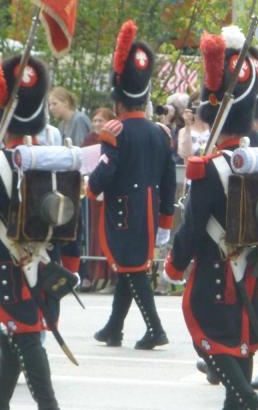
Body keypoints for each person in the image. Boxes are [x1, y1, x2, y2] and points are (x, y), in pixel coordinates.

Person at [163, 27, 258, 410]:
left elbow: (193, 224)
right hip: (257, 269)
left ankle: (248, 400)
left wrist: (175, 265)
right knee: (242, 341)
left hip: (217, 269)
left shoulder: (208, 167)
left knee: (208, 334)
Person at [87, 20, 176, 350]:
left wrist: (91, 188)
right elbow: (169, 183)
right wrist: (166, 219)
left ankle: (155, 328)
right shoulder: (161, 133)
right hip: (150, 209)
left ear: (119, 100)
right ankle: (114, 327)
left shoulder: (114, 131)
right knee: (131, 265)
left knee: (133, 268)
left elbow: (107, 171)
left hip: (124, 210)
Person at [0, 54, 79, 410]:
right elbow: (70, 224)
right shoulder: (54, 158)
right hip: (47, 264)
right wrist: (71, 266)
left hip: (9, 267)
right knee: (14, 340)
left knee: (25, 336)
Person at [82, 107, 117, 292]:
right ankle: (95, 275)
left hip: (108, 193)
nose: (96, 124)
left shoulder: (113, 141)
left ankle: (111, 277)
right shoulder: (88, 140)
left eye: (100, 120)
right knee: (93, 235)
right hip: (91, 193)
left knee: (108, 234)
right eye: (94, 120)